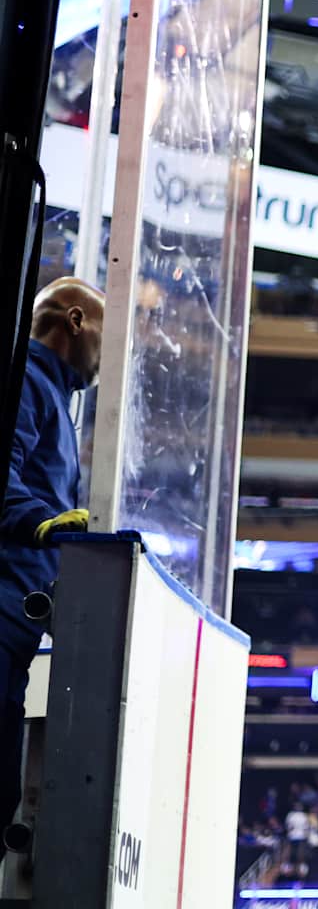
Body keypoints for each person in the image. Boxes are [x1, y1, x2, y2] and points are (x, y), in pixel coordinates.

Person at [0, 277, 102, 845]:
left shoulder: (54, 400)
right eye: (106, 336)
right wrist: (37, 520)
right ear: (76, 321)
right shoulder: (27, 381)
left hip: (17, 629)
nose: (107, 358)